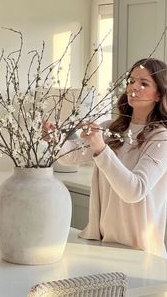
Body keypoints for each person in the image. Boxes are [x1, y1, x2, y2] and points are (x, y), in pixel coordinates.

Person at [44, 58, 167, 258]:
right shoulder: (112, 128)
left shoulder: (161, 138)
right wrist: (54, 139)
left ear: (158, 94)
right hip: (105, 244)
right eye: (131, 81)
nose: (133, 86)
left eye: (144, 83)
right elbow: (70, 157)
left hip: (141, 253)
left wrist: (100, 148)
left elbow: (134, 191)